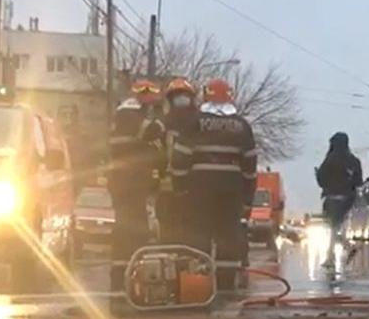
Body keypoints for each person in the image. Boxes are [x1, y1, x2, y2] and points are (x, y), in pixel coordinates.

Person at [171, 79, 258, 291]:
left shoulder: (194, 122)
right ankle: (226, 283)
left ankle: (198, 282)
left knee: (198, 233)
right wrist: (247, 197)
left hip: (199, 187)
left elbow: (180, 157)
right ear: (230, 97)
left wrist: (179, 187)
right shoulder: (242, 126)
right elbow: (250, 165)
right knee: (228, 235)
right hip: (231, 189)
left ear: (206, 95)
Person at [108, 80, 165, 294]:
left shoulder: (127, 113)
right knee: (131, 229)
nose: (152, 99)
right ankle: (125, 277)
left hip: (127, 181)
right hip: (129, 182)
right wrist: (161, 121)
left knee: (131, 228)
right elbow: (153, 131)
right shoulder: (129, 114)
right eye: (150, 95)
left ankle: (127, 275)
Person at [157, 77, 200, 243]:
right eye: (177, 97)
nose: (181, 101)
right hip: (173, 183)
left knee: (188, 224)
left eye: (184, 96)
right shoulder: (163, 123)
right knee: (169, 221)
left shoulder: (199, 123)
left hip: (189, 182)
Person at [315, 132, 363, 266]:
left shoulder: (330, 159)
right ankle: (334, 254)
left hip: (332, 197)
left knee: (333, 227)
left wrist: (319, 175)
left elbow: (321, 180)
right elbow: (359, 182)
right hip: (348, 198)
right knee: (336, 227)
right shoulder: (354, 161)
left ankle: (341, 251)